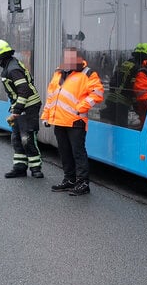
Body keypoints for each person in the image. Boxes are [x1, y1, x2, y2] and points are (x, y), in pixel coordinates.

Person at [42, 47, 104, 196]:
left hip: (76, 121)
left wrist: (80, 108)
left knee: (78, 153)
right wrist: (46, 116)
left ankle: (83, 183)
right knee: (64, 152)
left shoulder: (87, 73)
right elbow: (51, 96)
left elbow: (98, 93)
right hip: (59, 121)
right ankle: (69, 179)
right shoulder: (58, 73)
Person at [0, 39, 44, 178]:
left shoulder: (13, 69)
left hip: (28, 105)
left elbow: (23, 90)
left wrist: (17, 111)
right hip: (21, 105)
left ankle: (36, 168)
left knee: (28, 137)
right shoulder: (10, 65)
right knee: (17, 137)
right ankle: (20, 167)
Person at [103, 43, 147, 128]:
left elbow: (113, 80)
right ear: (145, 56)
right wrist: (138, 108)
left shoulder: (126, 63)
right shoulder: (138, 68)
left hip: (111, 99)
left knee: (112, 128)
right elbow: (133, 89)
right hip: (121, 103)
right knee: (121, 128)